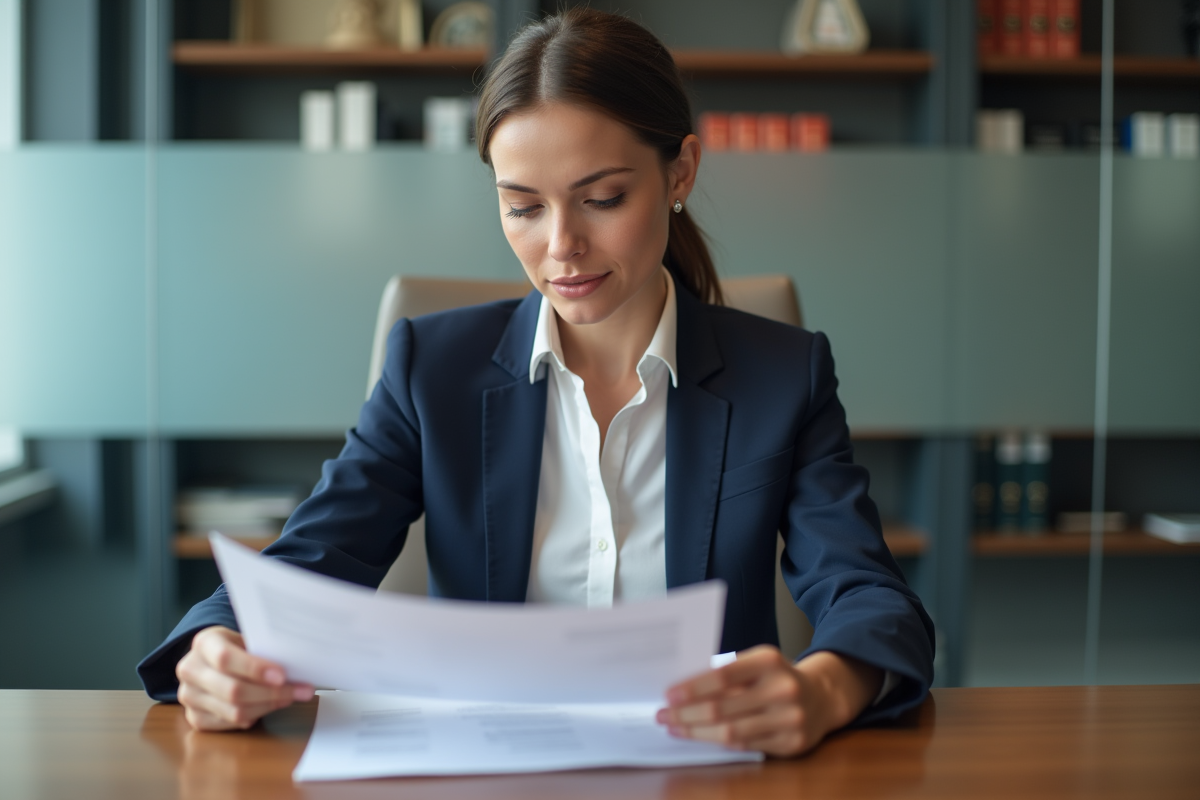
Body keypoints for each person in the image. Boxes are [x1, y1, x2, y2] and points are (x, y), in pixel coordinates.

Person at [138, 8, 934, 757]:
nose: (563, 247)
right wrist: (214, 648)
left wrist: (823, 691)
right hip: (484, 768)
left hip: (702, 767)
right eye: (522, 207)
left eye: (603, 199)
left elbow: (869, 595)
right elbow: (304, 563)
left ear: (681, 171)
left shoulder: (781, 374)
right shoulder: (431, 368)